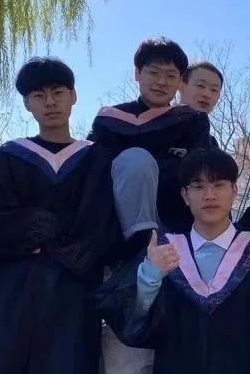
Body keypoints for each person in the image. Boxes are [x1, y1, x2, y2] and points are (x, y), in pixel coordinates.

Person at [0, 57, 120, 374]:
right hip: (10, 294)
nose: (50, 102)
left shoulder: (96, 158)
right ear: (26, 103)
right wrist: (56, 229)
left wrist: (37, 236)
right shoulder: (6, 157)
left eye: (58, 92)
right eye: (38, 95)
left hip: (70, 293)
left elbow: (98, 223)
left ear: (73, 97)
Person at [94, 148, 250, 374]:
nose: (209, 195)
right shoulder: (165, 251)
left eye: (218, 185)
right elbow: (135, 327)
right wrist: (150, 278)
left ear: (234, 191)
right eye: (198, 187)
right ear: (185, 196)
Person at [89, 38, 212, 241]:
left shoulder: (191, 121)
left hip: (178, 224)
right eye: (154, 73)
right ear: (137, 73)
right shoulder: (109, 121)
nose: (162, 82)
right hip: (118, 229)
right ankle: (142, 239)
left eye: (171, 76)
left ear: (180, 82)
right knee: (135, 159)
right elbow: (94, 175)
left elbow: (201, 174)